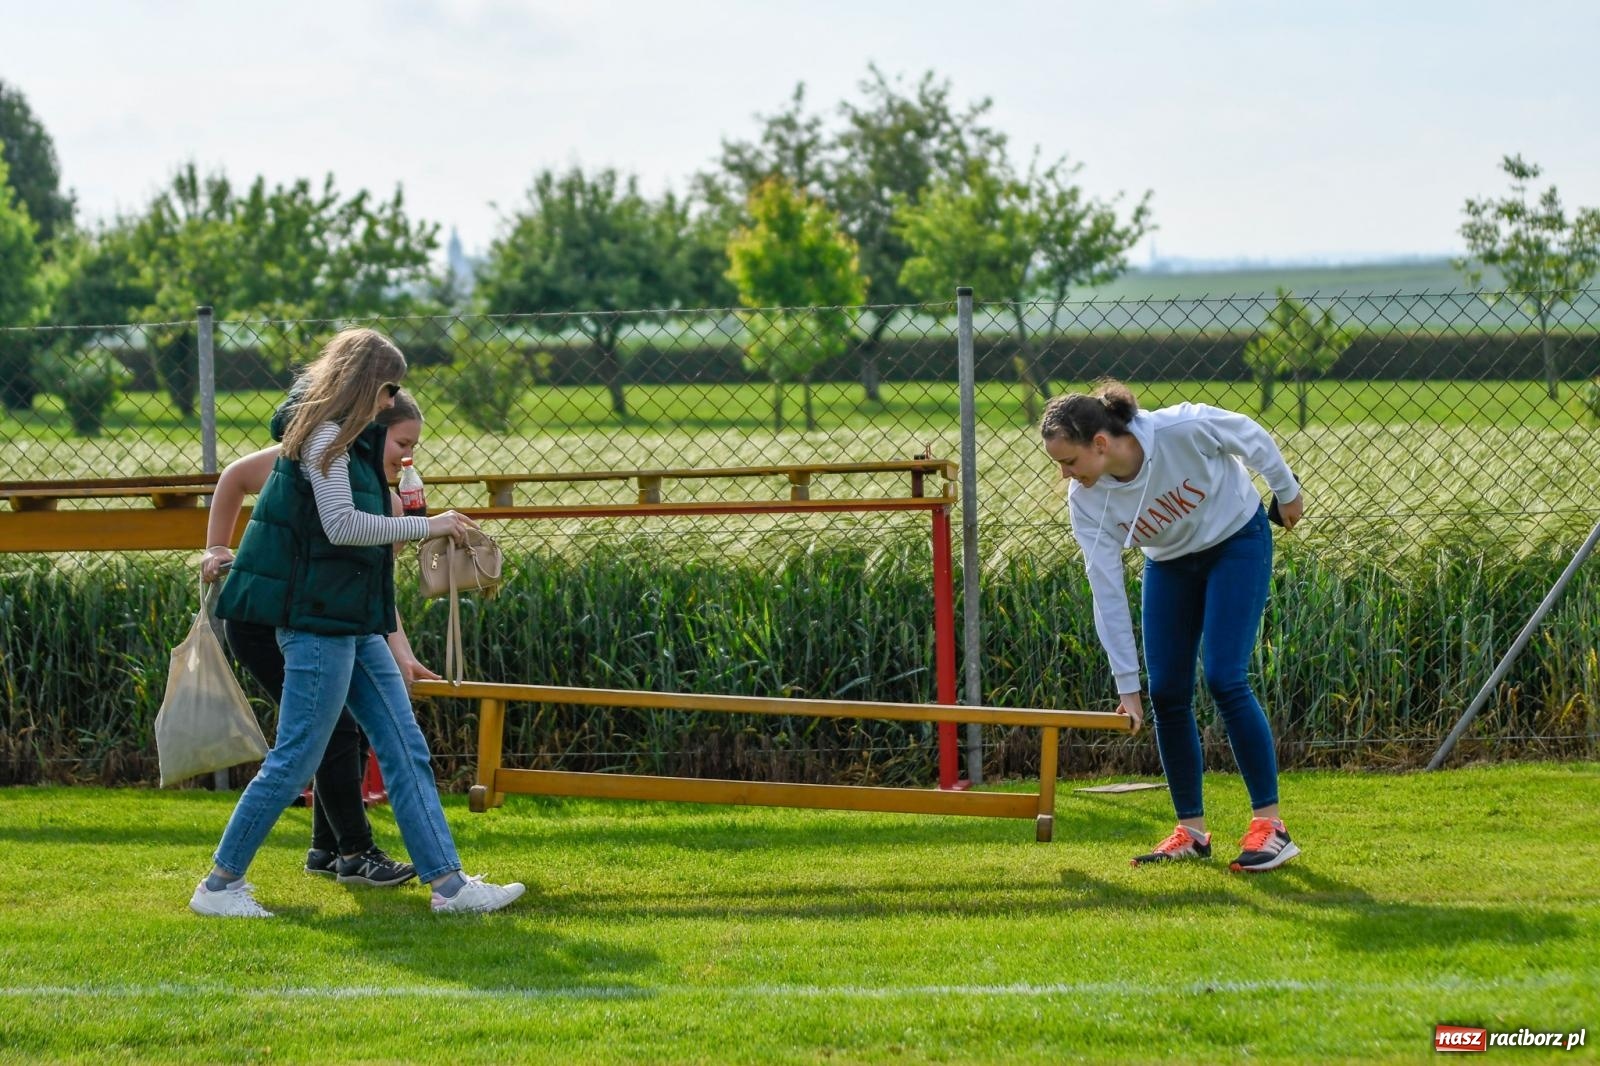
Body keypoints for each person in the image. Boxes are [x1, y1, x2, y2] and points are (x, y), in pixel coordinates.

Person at [190, 327, 524, 916]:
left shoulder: (351, 442)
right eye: (388, 387)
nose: (391, 399)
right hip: (317, 623)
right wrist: (432, 525)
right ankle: (219, 886)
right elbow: (342, 527)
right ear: (365, 380)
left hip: (351, 619)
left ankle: (448, 887)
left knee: (403, 744)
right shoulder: (324, 438)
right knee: (296, 755)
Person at [1039, 380, 1304, 873]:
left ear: (1100, 443)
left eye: (1069, 461)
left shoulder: (1180, 427)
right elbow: (1106, 589)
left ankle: (1272, 827)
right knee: (1166, 691)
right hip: (1170, 563)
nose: (1065, 474)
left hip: (1235, 542)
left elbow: (1248, 434)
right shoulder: (1087, 500)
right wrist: (1127, 686)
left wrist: (1286, 492)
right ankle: (1192, 832)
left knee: (1225, 677)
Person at [200, 390, 440, 889]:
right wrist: (217, 547)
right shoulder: (314, 452)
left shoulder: (378, 490)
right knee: (323, 735)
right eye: (401, 442)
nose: (408, 456)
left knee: (340, 732)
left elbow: (367, 591)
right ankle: (348, 850)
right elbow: (234, 479)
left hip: (324, 616)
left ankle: (331, 850)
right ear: (373, 421)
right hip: (268, 618)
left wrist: (402, 654)